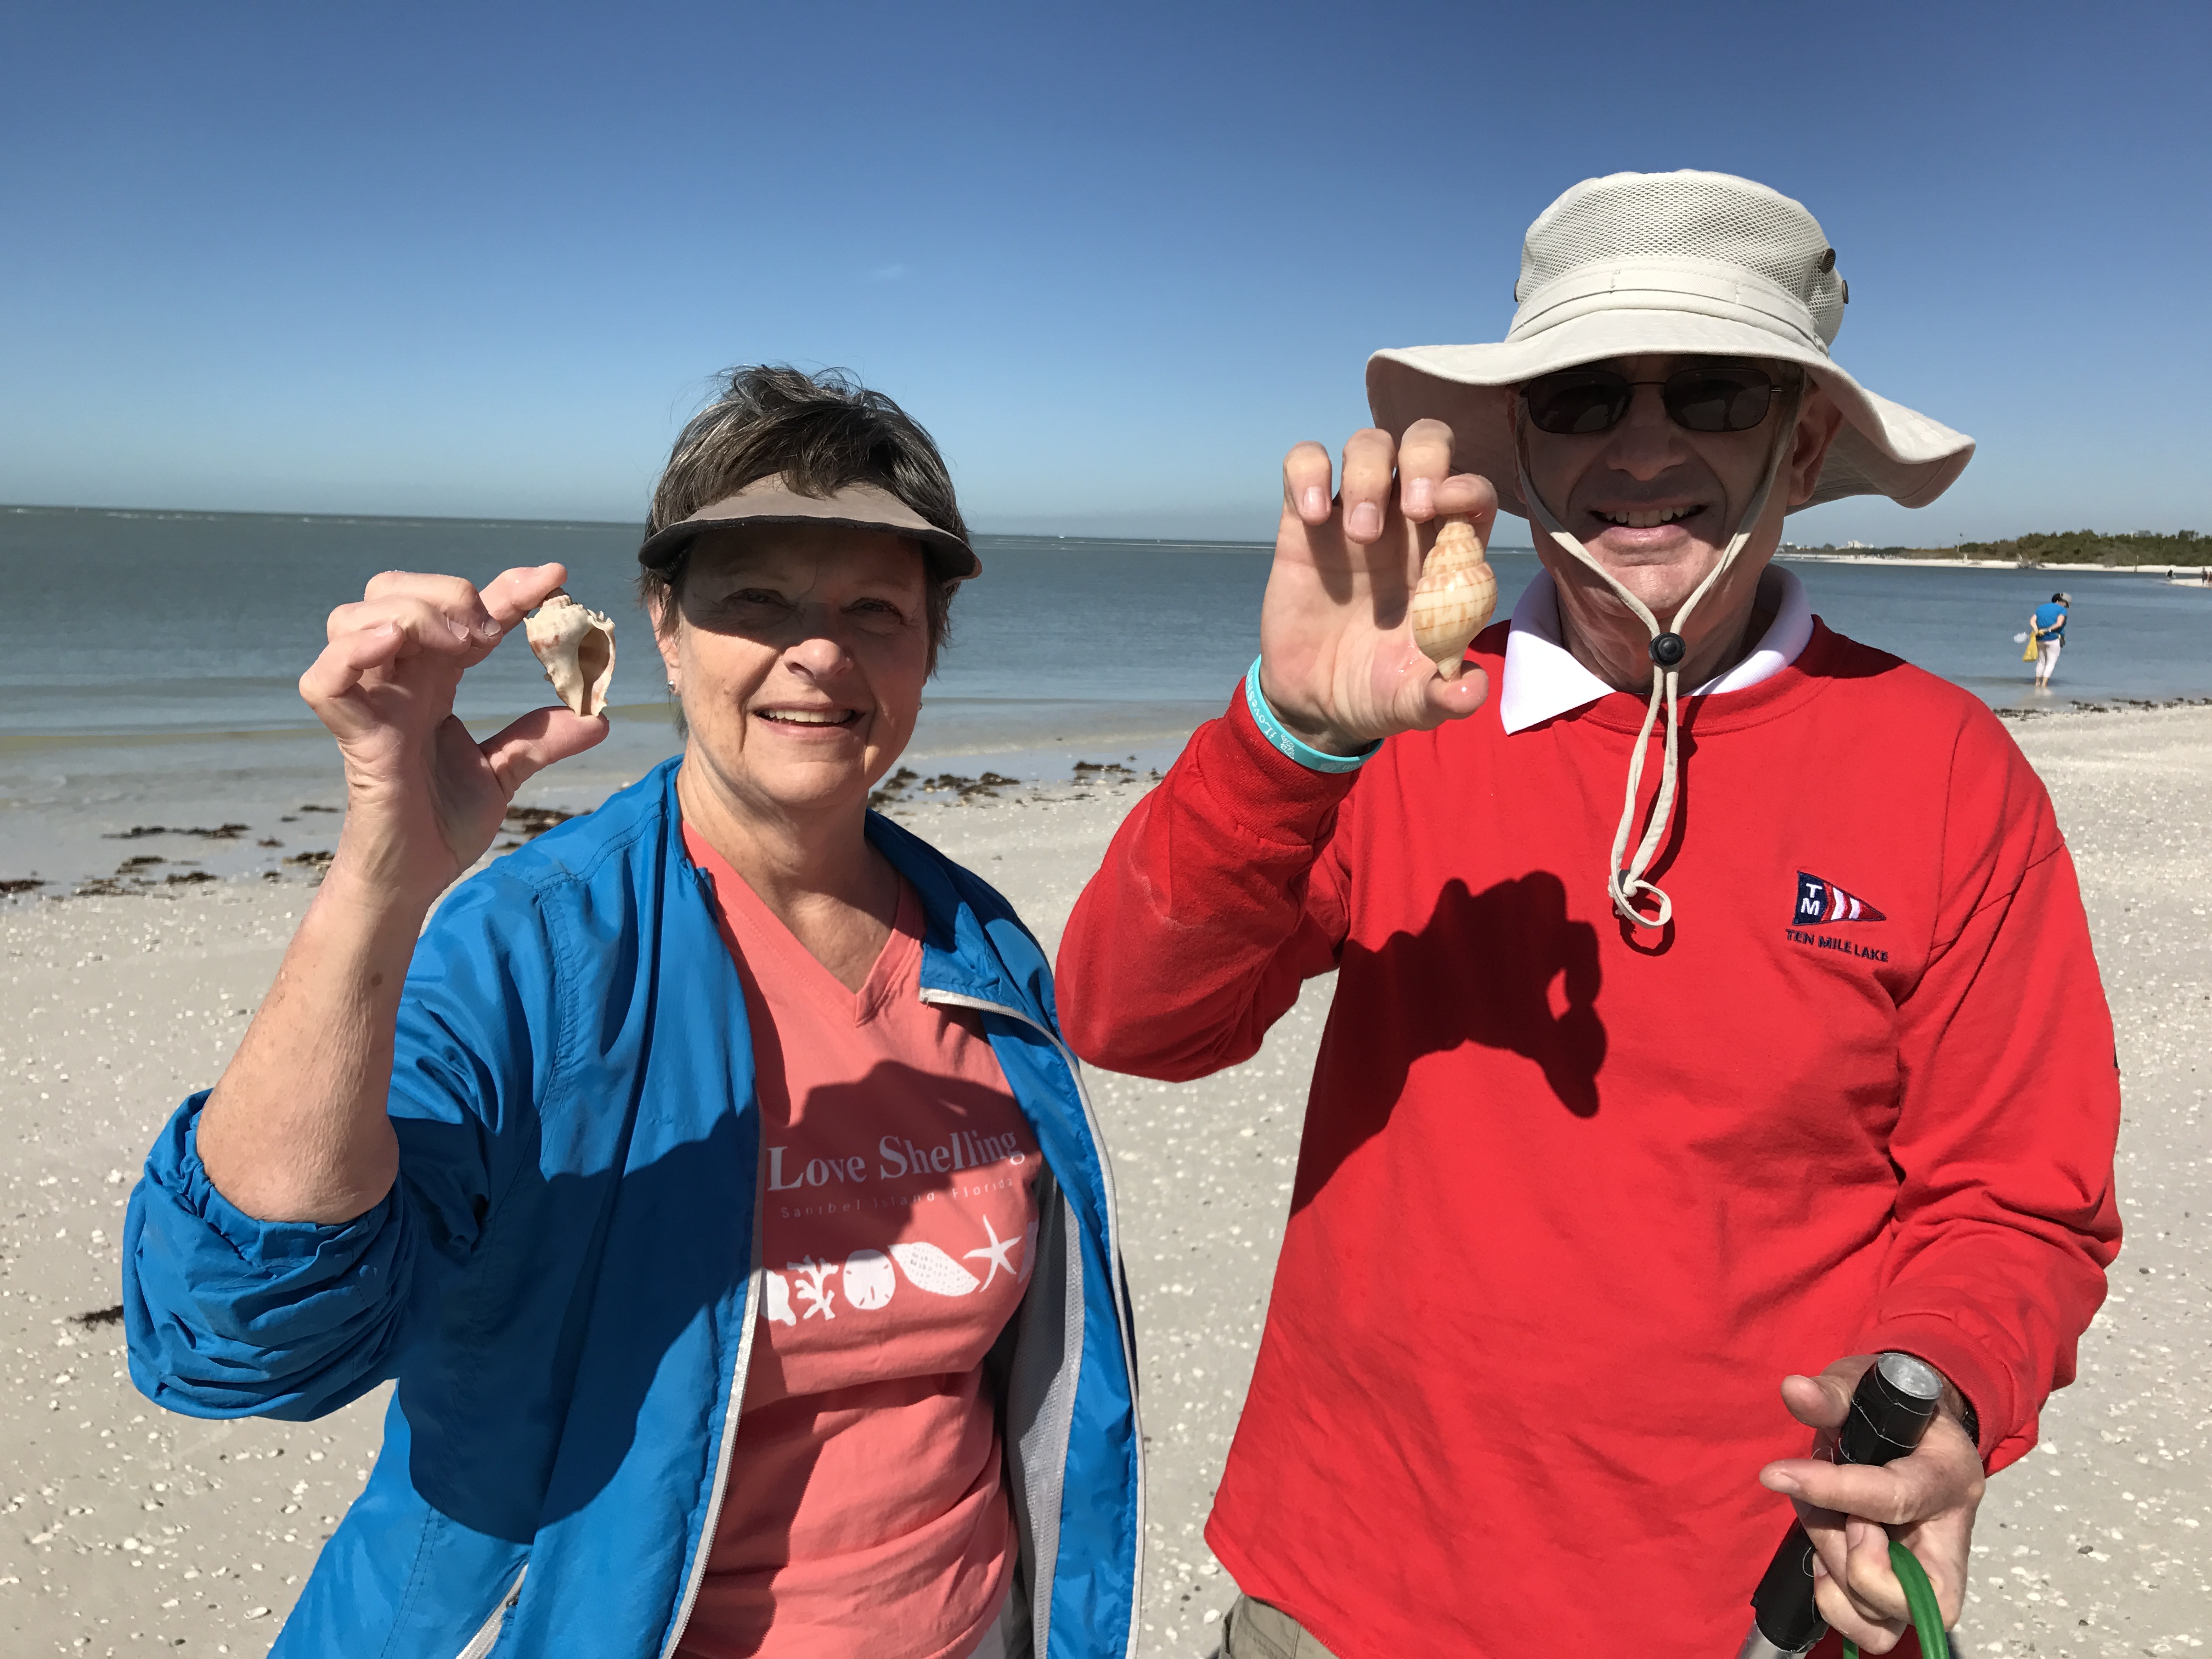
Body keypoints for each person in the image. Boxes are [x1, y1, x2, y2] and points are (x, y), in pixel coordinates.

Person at [1057, 172, 2120, 1657]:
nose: (1644, 446)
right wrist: (1289, 738)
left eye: (1715, 392)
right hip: (1348, 1585)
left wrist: (1940, 1385)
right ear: (1524, 448)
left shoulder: (1944, 766)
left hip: (1745, 1609)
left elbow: (2018, 1197)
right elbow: (1129, 1018)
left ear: (1805, 442)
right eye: (1581, 399)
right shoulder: (1407, 715)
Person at [122, 366, 1141, 1659]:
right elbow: (238, 1335)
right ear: (663, 626)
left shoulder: (982, 952)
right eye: (755, 599)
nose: (819, 651)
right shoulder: (541, 952)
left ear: (930, 644)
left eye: (875, 609)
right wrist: (380, 874)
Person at [2030, 591, 2070, 687]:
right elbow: (2059, 624)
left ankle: (2037, 683)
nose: (2065, 606)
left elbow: (2032, 620)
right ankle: (2044, 685)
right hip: (2054, 638)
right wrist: (2048, 630)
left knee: (2041, 662)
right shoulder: (2062, 610)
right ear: (2059, 601)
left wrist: (2037, 630)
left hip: (2040, 638)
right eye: (2065, 603)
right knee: (2051, 663)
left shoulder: (2041, 608)